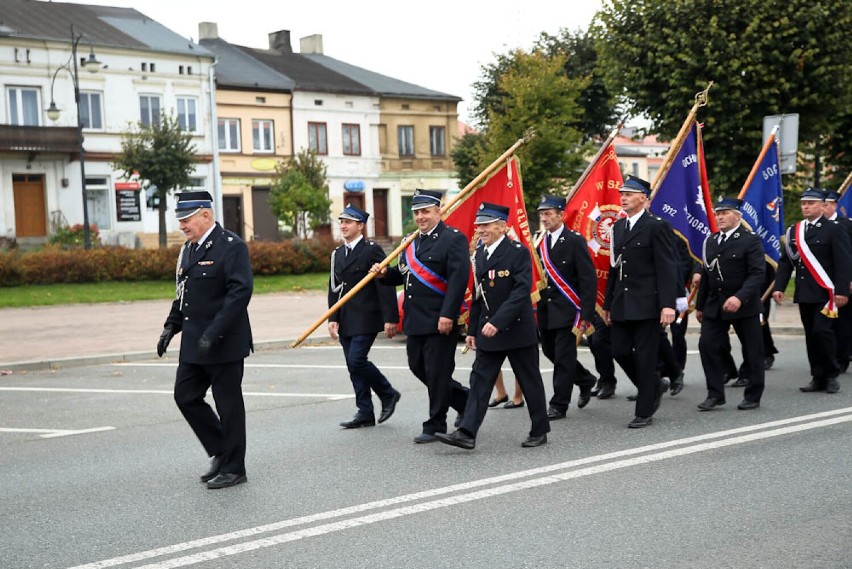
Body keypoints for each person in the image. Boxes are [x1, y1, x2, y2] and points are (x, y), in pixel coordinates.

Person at [156, 191, 253, 489]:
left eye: (186, 219)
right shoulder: (188, 249)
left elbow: (240, 293)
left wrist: (214, 332)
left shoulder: (230, 247)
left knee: (228, 405)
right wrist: (170, 327)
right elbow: (183, 294)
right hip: (195, 342)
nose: (182, 226)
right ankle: (220, 450)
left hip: (224, 342)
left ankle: (235, 467)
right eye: (180, 220)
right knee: (185, 396)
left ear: (206, 215)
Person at [435, 203, 550, 450]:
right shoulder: (479, 254)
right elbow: (479, 296)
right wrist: (473, 330)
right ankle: (467, 432)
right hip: (488, 331)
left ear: (501, 226)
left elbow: (521, 292)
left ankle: (539, 429)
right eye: (479, 225)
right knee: (479, 382)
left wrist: (498, 321)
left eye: (486, 225)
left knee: (529, 381)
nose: (480, 230)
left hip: (517, 329)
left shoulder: (517, 251)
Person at [371, 189, 470, 443]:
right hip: (415, 319)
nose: (420, 217)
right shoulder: (410, 241)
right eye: (416, 212)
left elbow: (458, 281)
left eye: (425, 211)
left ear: (439, 211)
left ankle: (435, 424)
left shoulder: (453, 239)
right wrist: (384, 274)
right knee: (417, 366)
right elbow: (403, 275)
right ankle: (465, 400)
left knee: (437, 373)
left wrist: (448, 314)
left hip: (440, 319)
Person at [603, 175, 677, 428]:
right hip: (623, 301)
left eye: (629, 194)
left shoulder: (657, 226)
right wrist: (607, 304)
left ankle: (644, 410)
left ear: (644, 198)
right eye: (622, 194)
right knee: (619, 350)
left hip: (648, 302)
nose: (623, 198)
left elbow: (667, 267)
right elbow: (615, 268)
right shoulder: (618, 228)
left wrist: (668, 304)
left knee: (646, 357)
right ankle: (654, 385)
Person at [328, 204, 401, 429]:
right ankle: (365, 411)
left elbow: (384, 283)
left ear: (360, 226)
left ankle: (388, 393)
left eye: (348, 222)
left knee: (357, 360)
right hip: (347, 317)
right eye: (341, 221)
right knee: (353, 366)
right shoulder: (338, 254)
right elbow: (334, 288)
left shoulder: (371, 250)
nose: (343, 226)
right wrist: (333, 317)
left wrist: (390, 317)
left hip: (367, 315)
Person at [773, 187, 852, 394]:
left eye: (811, 203)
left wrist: (842, 291)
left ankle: (831, 374)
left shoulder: (834, 229)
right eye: (803, 203)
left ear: (822, 206)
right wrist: (779, 287)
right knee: (811, 335)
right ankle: (817, 376)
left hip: (826, 293)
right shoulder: (795, 230)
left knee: (822, 331)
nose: (806, 207)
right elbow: (786, 261)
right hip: (804, 292)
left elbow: (843, 262)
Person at [695, 197, 766, 411]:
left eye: (725, 213)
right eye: (718, 213)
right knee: (707, 345)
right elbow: (708, 275)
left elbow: (757, 274)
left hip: (744, 305)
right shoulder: (712, 241)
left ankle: (753, 394)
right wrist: (700, 306)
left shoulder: (749, 240)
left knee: (752, 351)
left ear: (737, 216)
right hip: (715, 304)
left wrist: (739, 297)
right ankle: (715, 394)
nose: (720, 217)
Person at [535, 194, 598, 420]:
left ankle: (559, 404)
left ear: (561, 215)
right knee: (550, 352)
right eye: (542, 214)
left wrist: (587, 314)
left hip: (569, 309)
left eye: (549, 213)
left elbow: (588, 279)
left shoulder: (574, 240)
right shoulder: (538, 241)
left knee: (563, 357)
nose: (544, 218)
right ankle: (585, 379)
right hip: (546, 309)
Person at [822, 189, 852, 372]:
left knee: (843, 322)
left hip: (842, 281)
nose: (822, 208)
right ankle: (828, 356)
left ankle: (842, 358)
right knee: (826, 323)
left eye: (826, 205)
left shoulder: (846, 225)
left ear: (834, 206)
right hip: (822, 282)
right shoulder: (814, 227)